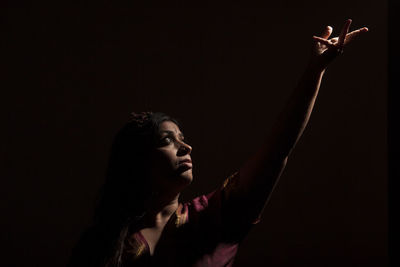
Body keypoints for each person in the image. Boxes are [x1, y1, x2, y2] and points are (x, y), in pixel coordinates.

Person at [67, 19, 368, 267]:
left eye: (183, 139)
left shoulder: (216, 215)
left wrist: (315, 71)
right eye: (167, 140)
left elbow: (278, 150)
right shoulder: (103, 243)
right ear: (138, 161)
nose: (186, 148)